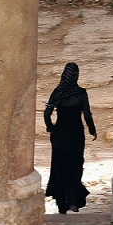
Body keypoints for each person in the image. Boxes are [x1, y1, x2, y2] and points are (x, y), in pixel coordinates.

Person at [43, 61, 96, 214]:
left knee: (59, 166)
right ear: (76, 76)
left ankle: (62, 203)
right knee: (75, 165)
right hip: (75, 135)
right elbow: (87, 114)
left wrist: (50, 128)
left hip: (60, 134)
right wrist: (92, 130)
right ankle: (73, 199)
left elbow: (47, 113)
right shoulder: (81, 93)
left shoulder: (57, 93)